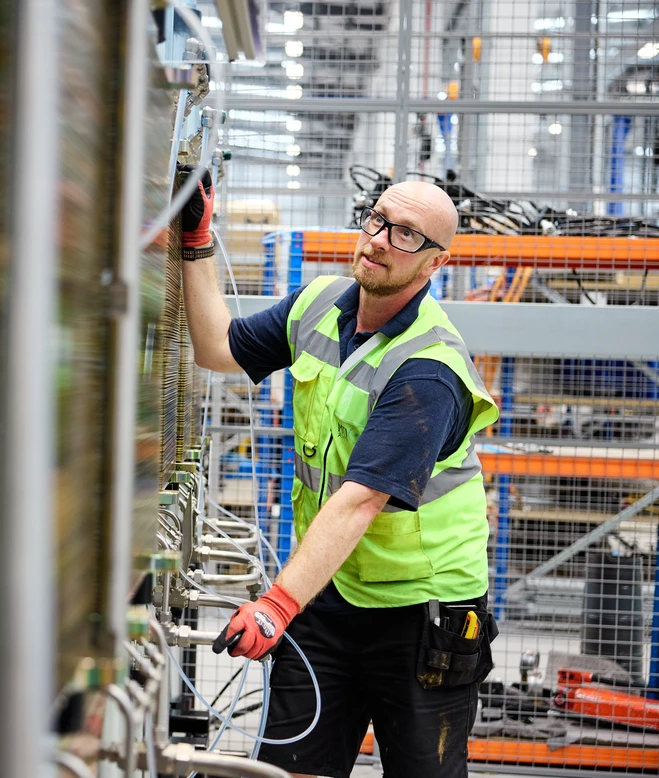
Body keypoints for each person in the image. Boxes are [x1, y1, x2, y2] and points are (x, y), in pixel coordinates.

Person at [177, 165, 499, 778]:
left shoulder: (429, 369)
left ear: (434, 265)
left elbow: (358, 501)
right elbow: (216, 347)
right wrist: (198, 244)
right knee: (290, 767)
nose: (378, 238)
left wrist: (275, 603)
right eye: (378, 219)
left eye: (406, 235)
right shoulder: (319, 304)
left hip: (421, 616)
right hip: (328, 598)